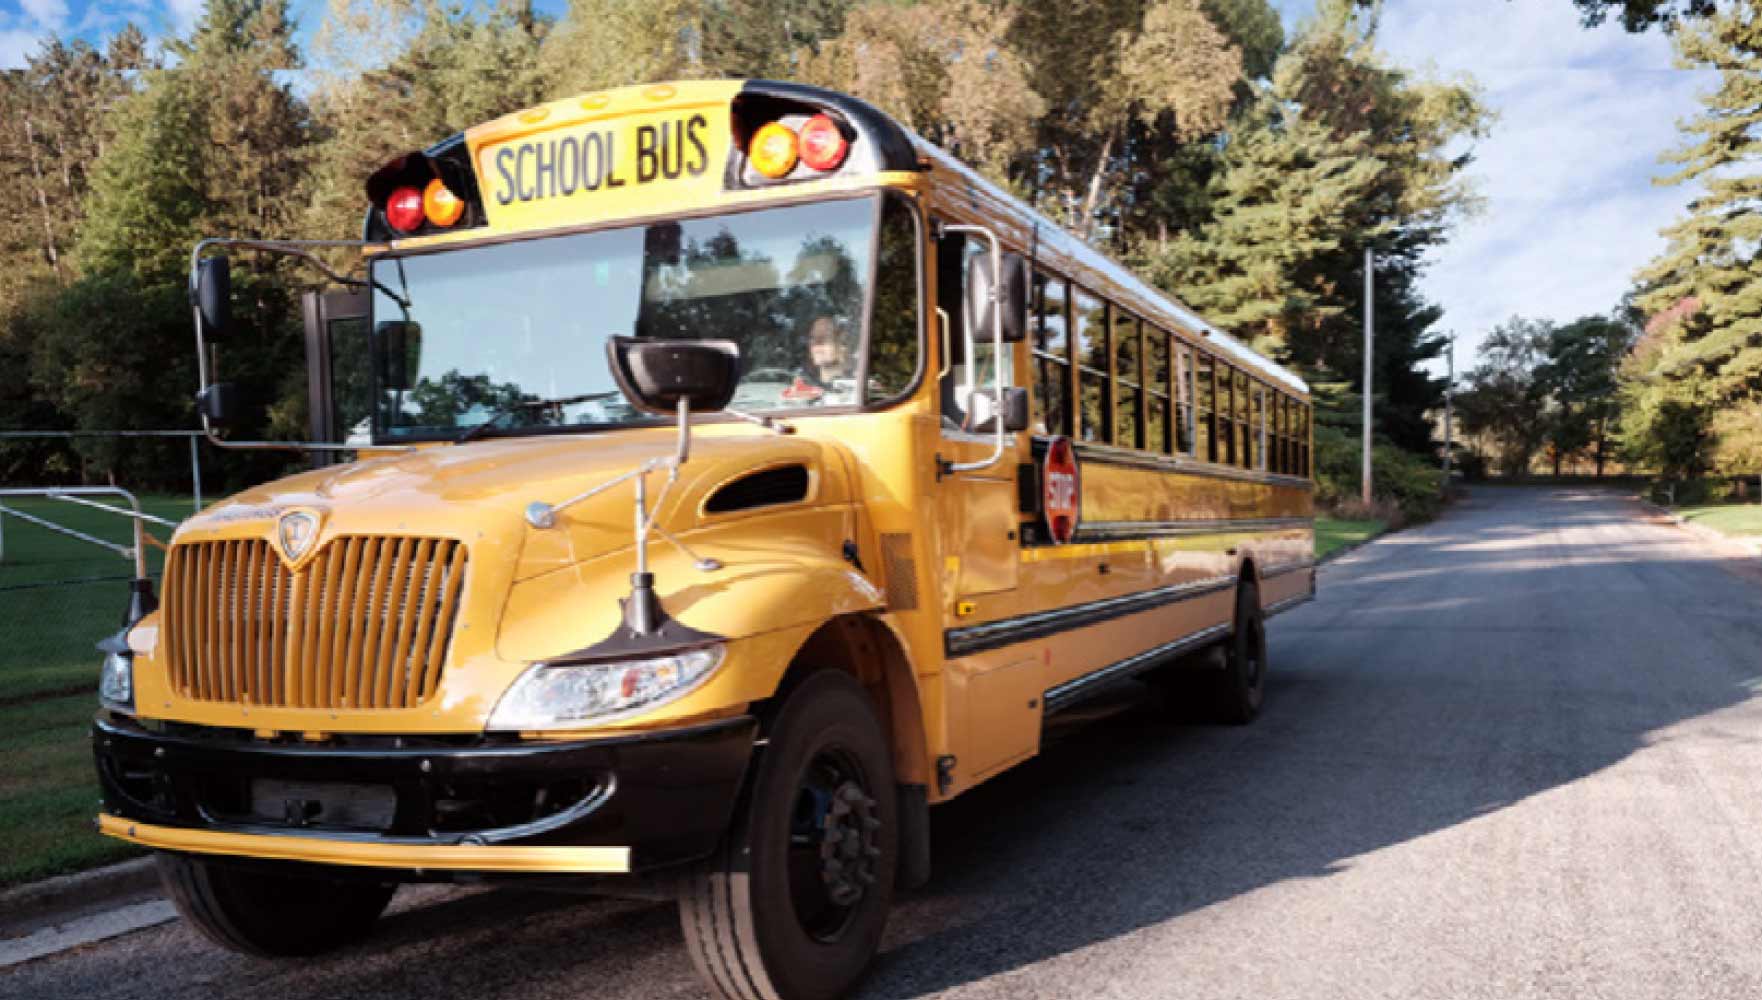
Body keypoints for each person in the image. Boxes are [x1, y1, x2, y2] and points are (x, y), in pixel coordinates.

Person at [782, 315, 855, 403]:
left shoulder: (856, 388)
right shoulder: (801, 388)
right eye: (812, 338)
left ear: (842, 345)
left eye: (824, 338)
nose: (816, 344)